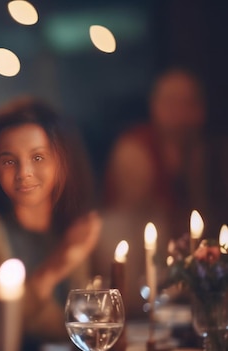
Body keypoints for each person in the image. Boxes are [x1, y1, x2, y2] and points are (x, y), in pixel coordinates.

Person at [0, 95, 102, 350]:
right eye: (9, 161)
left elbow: (81, 330)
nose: (24, 173)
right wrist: (56, 266)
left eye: (38, 157)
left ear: (62, 161)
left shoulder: (69, 228)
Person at [98, 67, 228, 318]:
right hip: (141, 272)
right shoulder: (134, 149)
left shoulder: (210, 154)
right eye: (169, 102)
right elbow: (139, 218)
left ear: (200, 111)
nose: (177, 112)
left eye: (186, 103)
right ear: (154, 106)